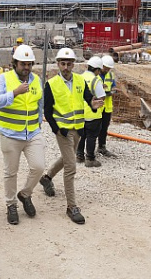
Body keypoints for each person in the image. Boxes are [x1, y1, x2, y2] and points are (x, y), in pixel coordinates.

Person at [39, 48, 103, 225]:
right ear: (58, 64)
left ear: (73, 64)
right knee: (71, 166)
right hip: (63, 131)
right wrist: (56, 129)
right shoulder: (51, 84)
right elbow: (48, 111)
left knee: (68, 159)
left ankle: (47, 177)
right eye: (62, 63)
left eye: (69, 64)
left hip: (78, 129)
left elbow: (88, 97)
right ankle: (71, 206)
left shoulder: (80, 81)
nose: (66, 67)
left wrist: (94, 104)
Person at [0, 44, 44, 225]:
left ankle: (25, 194)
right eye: (23, 64)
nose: (27, 68)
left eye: (29, 64)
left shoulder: (36, 79)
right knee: (10, 172)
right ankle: (11, 204)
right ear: (15, 63)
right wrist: (14, 93)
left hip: (32, 134)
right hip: (10, 134)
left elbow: (39, 102)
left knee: (38, 167)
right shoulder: (4, 78)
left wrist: (39, 121)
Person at [76, 56, 107, 167]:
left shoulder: (80, 77)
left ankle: (79, 155)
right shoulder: (96, 80)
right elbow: (102, 96)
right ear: (97, 70)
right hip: (92, 114)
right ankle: (90, 158)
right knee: (91, 136)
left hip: (80, 112)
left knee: (81, 135)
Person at [96, 55, 117, 158]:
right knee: (93, 128)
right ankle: (86, 149)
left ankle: (101, 147)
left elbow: (114, 88)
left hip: (107, 107)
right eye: (105, 68)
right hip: (96, 106)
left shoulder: (111, 76)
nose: (107, 70)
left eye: (109, 68)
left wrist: (110, 92)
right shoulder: (95, 76)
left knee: (104, 128)